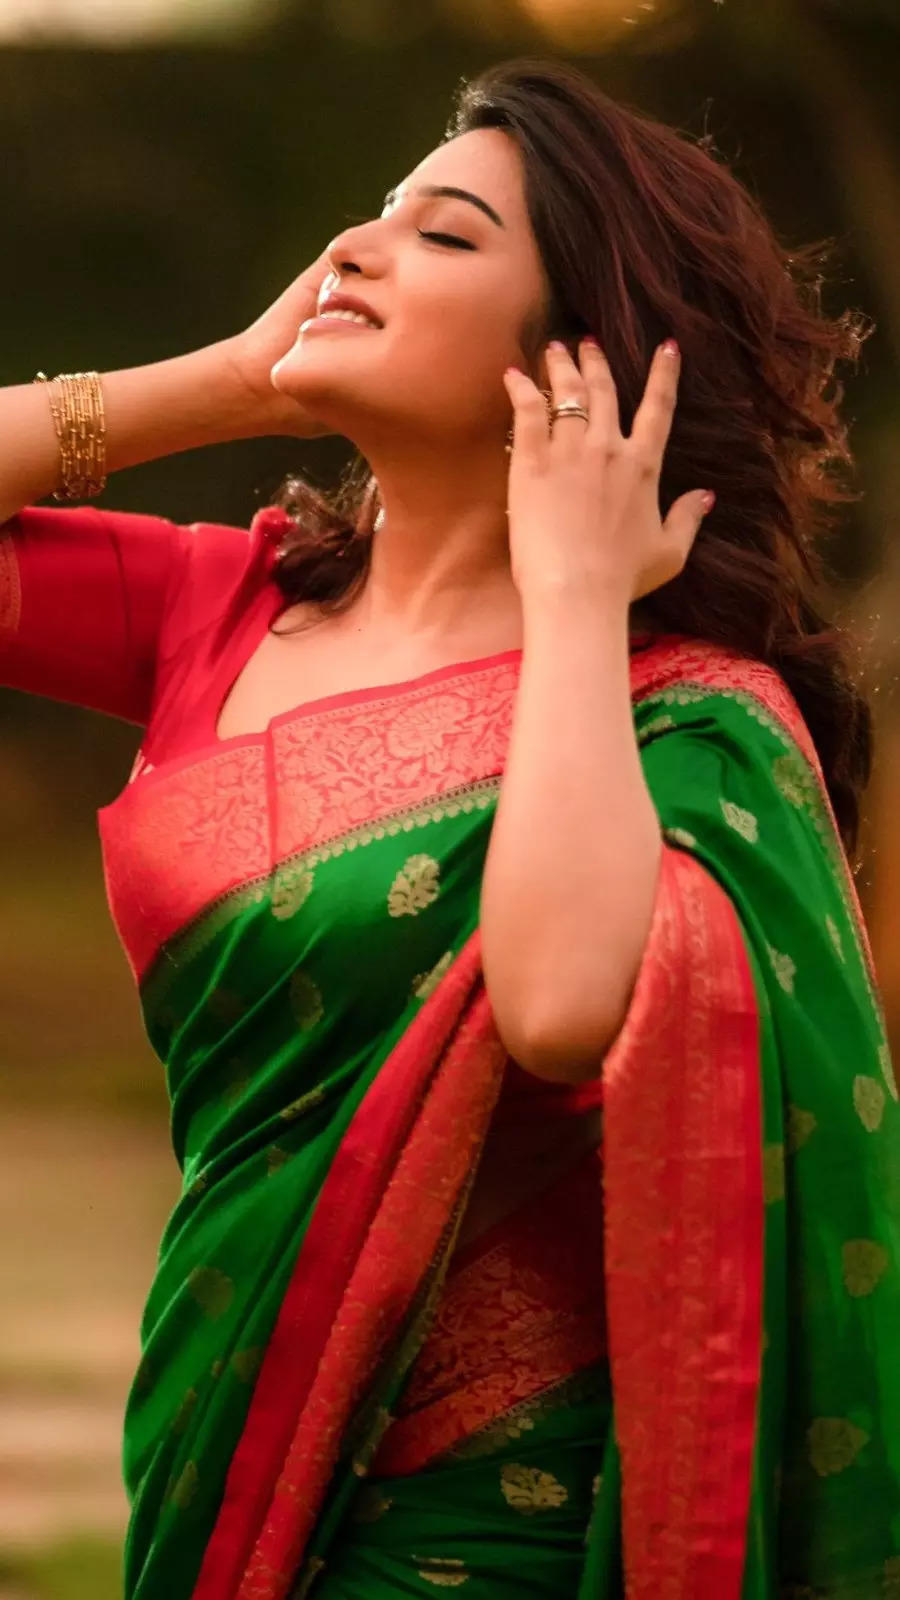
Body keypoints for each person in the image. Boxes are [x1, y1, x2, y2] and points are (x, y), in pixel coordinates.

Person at [1, 53, 898, 1600]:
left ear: (584, 359)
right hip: (223, 1444)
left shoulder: (687, 717)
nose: (354, 246)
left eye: (447, 232)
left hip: (504, 1535)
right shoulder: (219, 606)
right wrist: (226, 377)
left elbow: (557, 1006)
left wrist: (567, 596)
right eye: (372, 214)